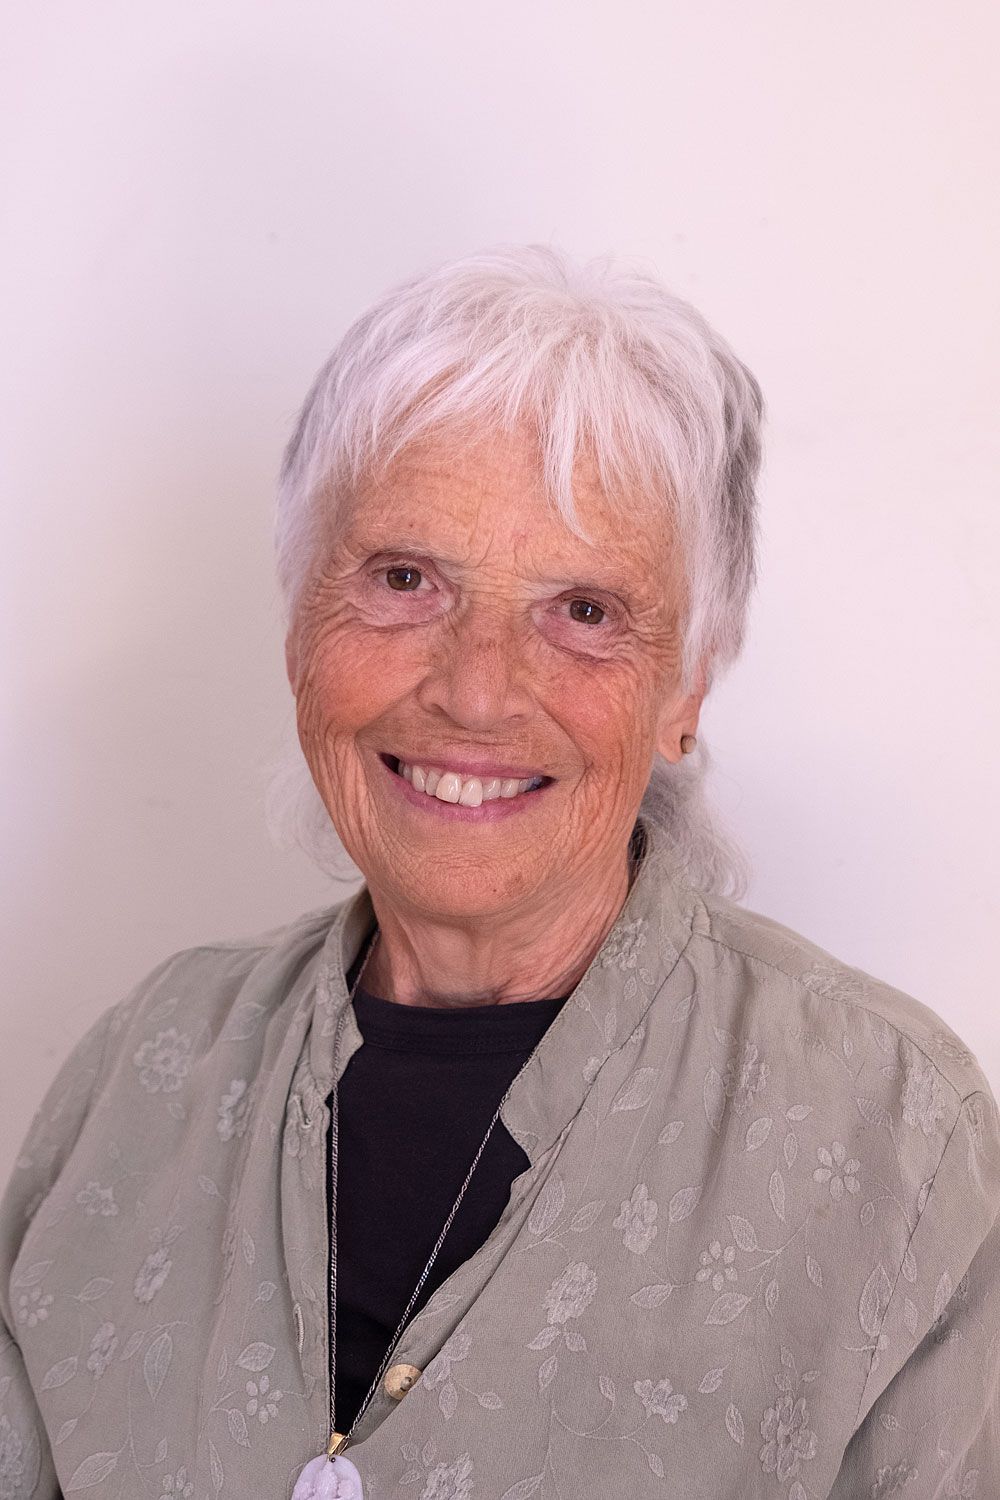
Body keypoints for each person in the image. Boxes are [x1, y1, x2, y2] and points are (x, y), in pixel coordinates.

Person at [2, 245, 996, 1500]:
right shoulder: (140, 1078)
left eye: (582, 610)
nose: (475, 688)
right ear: (300, 620)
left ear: (686, 687)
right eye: (405, 579)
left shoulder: (893, 1138)